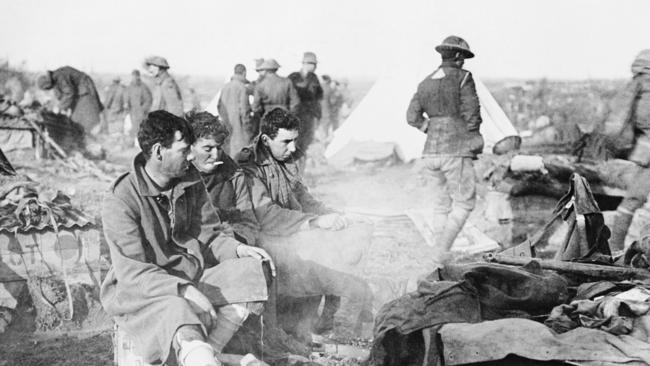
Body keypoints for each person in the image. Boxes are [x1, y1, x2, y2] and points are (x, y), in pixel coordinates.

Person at [100, 110, 274, 366]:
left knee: (253, 271)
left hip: (190, 274)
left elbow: (210, 236)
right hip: (145, 289)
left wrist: (239, 250)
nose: (191, 156)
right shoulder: (121, 198)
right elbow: (132, 272)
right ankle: (201, 357)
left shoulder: (189, 181)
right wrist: (184, 290)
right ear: (159, 152)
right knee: (177, 311)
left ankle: (209, 354)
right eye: (184, 150)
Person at [237, 108, 373, 341]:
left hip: (294, 238)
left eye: (295, 140)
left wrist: (338, 217)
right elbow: (267, 216)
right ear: (266, 139)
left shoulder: (285, 159)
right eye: (286, 141)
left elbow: (304, 199)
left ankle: (321, 322)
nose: (292, 148)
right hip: (270, 247)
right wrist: (316, 222)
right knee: (339, 276)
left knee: (352, 236)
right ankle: (304, 324)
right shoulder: (250, 167)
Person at [406, 35, 483, 264]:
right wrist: (472, 139)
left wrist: (430, 126)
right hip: (455, 150)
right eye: (464, 57)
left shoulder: (425, 81)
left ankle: (437, 253)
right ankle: (441, 250)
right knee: (465, 203)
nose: (464, 62)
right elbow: (472, 115)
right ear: (458, 56)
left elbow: (411, 117)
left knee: (440, 205)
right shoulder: (464, 77)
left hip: (430, 153)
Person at [187, 111, 258, 246]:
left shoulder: (233, 174)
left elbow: (249, 223)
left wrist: (235, 234)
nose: (215, 155)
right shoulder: (177, 176)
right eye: (208, 149)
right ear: (190, 148)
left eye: (219, 148)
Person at [606, 49, 650, 251]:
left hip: (645, 148)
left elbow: (618, 122)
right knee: (635, 200)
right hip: (647, 148)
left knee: (633, 200)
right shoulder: (642, 83)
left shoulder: (638, 83)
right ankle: (618, 250)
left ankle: (616, 250)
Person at [36, 66, 104, 133]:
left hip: (85, 91)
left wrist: (59, 108)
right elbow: (64, 96)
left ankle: (93, 140)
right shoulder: (57, 79)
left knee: (85, 120)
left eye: (47, 88)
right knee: (75, 119)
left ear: (47, 84)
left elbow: (69, 93)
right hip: (80, 93)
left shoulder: (60, 76)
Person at [288, 52, 323, 154]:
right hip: (296, 114)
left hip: (309, 115)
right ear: (306, 64)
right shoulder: (293, 77)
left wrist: (318, 115)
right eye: (313, 64)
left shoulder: (314, 78)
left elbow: (318, 98)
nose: (315, 67)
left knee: (306, 142)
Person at [218, 64, 254, 157]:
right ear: (244, 73)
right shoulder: (242, 87)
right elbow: (244, 110)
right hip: (239, 126)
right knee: (239, 153)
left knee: (227, 151)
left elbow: (219, 105)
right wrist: (248, 126)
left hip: (226, 124)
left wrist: (225, 119)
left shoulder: (225, 86)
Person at [252, 59, 298, 123]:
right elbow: (295, 102)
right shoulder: (287, 82)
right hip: (284, 116)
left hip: (267, 117)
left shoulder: (260, 85)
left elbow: (255, 107)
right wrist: (289, 114)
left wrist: (262, 113)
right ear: (276, 69)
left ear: (265, 70)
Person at [124, 70, 153, 144]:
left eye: (135, 76)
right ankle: (133, 143)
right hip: (132, 112)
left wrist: (143, 109)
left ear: (138, 76)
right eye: (132, 76)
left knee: (141, 128)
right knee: (133, 128)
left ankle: (140, 144)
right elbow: (126, 97)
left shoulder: (143, 87)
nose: (134, 78)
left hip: (141, 113)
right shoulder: (130, 87)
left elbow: (149, 99)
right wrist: (126, 103)